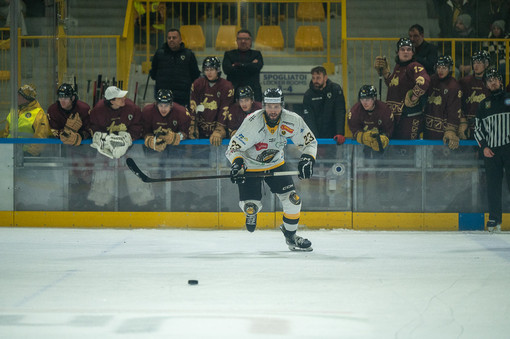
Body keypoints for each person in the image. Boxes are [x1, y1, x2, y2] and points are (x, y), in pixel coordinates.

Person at [226, 88, 317, 251]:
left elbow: (310, 142)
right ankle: (251, 211)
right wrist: (237, 163)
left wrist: (307, 158)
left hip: (276, 163)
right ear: (263, 105)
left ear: (282, 105)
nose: (273, 110)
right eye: (269, 106)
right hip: (251, 165)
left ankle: (291, 237)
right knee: (251, 206)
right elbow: (233, 148)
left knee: (293, 201)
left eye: (276, 106)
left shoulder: (292, 120)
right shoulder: (252, 122)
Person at [87, 86, 150, 207]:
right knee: (103, 171)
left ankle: (143, 201)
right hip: (107, 149)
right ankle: (100, 202)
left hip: (131, 146)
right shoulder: (98, 111)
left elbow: (138, 125)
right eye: (119, 97)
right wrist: (104, 141)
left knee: (137, 170)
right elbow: (93, 128)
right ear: (111, 101)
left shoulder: (132, 108)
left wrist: (128, 139)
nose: (124, 98)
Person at [473, 68, 510, 233]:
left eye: (495, 78)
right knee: (493, 186)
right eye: (489, 80)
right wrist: (484, 147)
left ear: (501, 81)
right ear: (486, 84)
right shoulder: (483, 104)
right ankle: (494, 218)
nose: (493, 82)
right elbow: (477, 129)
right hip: (491, 151)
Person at [374, 38, 430, 140]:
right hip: (394, 116)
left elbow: (424, 81)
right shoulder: (398, 66)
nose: (405, 52)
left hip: (409, 117)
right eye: (402, 49)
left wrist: (414, 96)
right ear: (397, 52)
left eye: (409, 49)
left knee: (408, 149)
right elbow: (394, 86)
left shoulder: (414, 66)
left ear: (413, 52)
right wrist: (386, 74)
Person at [189, 56, 234, 146]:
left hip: (217, 132)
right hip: (200, 130)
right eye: (206, 69)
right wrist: (193, 124)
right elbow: (193, 104)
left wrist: (219, 129)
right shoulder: (198, 84)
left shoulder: (227, 86)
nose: (209, 72)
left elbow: (225, 109)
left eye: (212, 69)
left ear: (217, 70)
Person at [150, 28, 201, 107]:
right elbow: (153, 74)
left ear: (180, 40)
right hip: (163, 98)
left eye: (174, 38)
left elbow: (195, 75)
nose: (171, 40)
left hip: (182, 97)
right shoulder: (159, 54)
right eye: (169, 38)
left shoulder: (189, 55)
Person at [0, 84, 51, 156]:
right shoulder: (14, 111)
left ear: (26, 98)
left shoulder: (39, 114)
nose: (17, 97)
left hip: (27, 155)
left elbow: (41, 137)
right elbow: (6, 132)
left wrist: (30, 153)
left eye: (19, 95)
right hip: (9, 152)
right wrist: (4, 147)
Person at [423, 55, 461, 150]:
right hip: (428, 130)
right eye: (439, 67)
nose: (441, 70)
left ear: (450, 69)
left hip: (443, 133)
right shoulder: (431, 80)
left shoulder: (453, 86)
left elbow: (454, 111)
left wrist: (451, 130)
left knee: (441, 160)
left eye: (444, 68)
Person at [301, 66, 347, 144]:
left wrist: (340, 132)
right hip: (316, 137)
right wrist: (316, 140)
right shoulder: (308, 95)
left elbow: (340, 112)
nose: (315, 81)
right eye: (313, 78)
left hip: (333, 138)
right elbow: (309, 119)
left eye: (318, 78)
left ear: (325, 78)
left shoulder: (335, 90)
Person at [348, 85, 394, 152]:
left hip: (384, 149)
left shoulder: (384, 111)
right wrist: (362, 137)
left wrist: (383, 138)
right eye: (362, 99)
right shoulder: (355, 111)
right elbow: (354, 129)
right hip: (361, 148)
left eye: (367, 99)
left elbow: (389, 130)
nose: (364, 102)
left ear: (374, 98)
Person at [222, 29, 264, 102]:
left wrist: (237, 65)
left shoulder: (257, 54)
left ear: (251, 40)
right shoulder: (229, 54)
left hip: (254, 92)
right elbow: (227, 70)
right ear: (236, 40)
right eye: (240, 39)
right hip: (233, 93)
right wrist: (250, 65)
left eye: (246, 39)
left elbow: (257, 67)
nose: (243, 41)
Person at [458, 51, 492, 139]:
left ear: (486, 64)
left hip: (486, 127)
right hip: (467, 127)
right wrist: (462, 120)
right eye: (474, 63)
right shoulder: (464, 82)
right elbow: (457, 103)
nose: (476, 65)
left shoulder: (492, 83)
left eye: (479, 63)